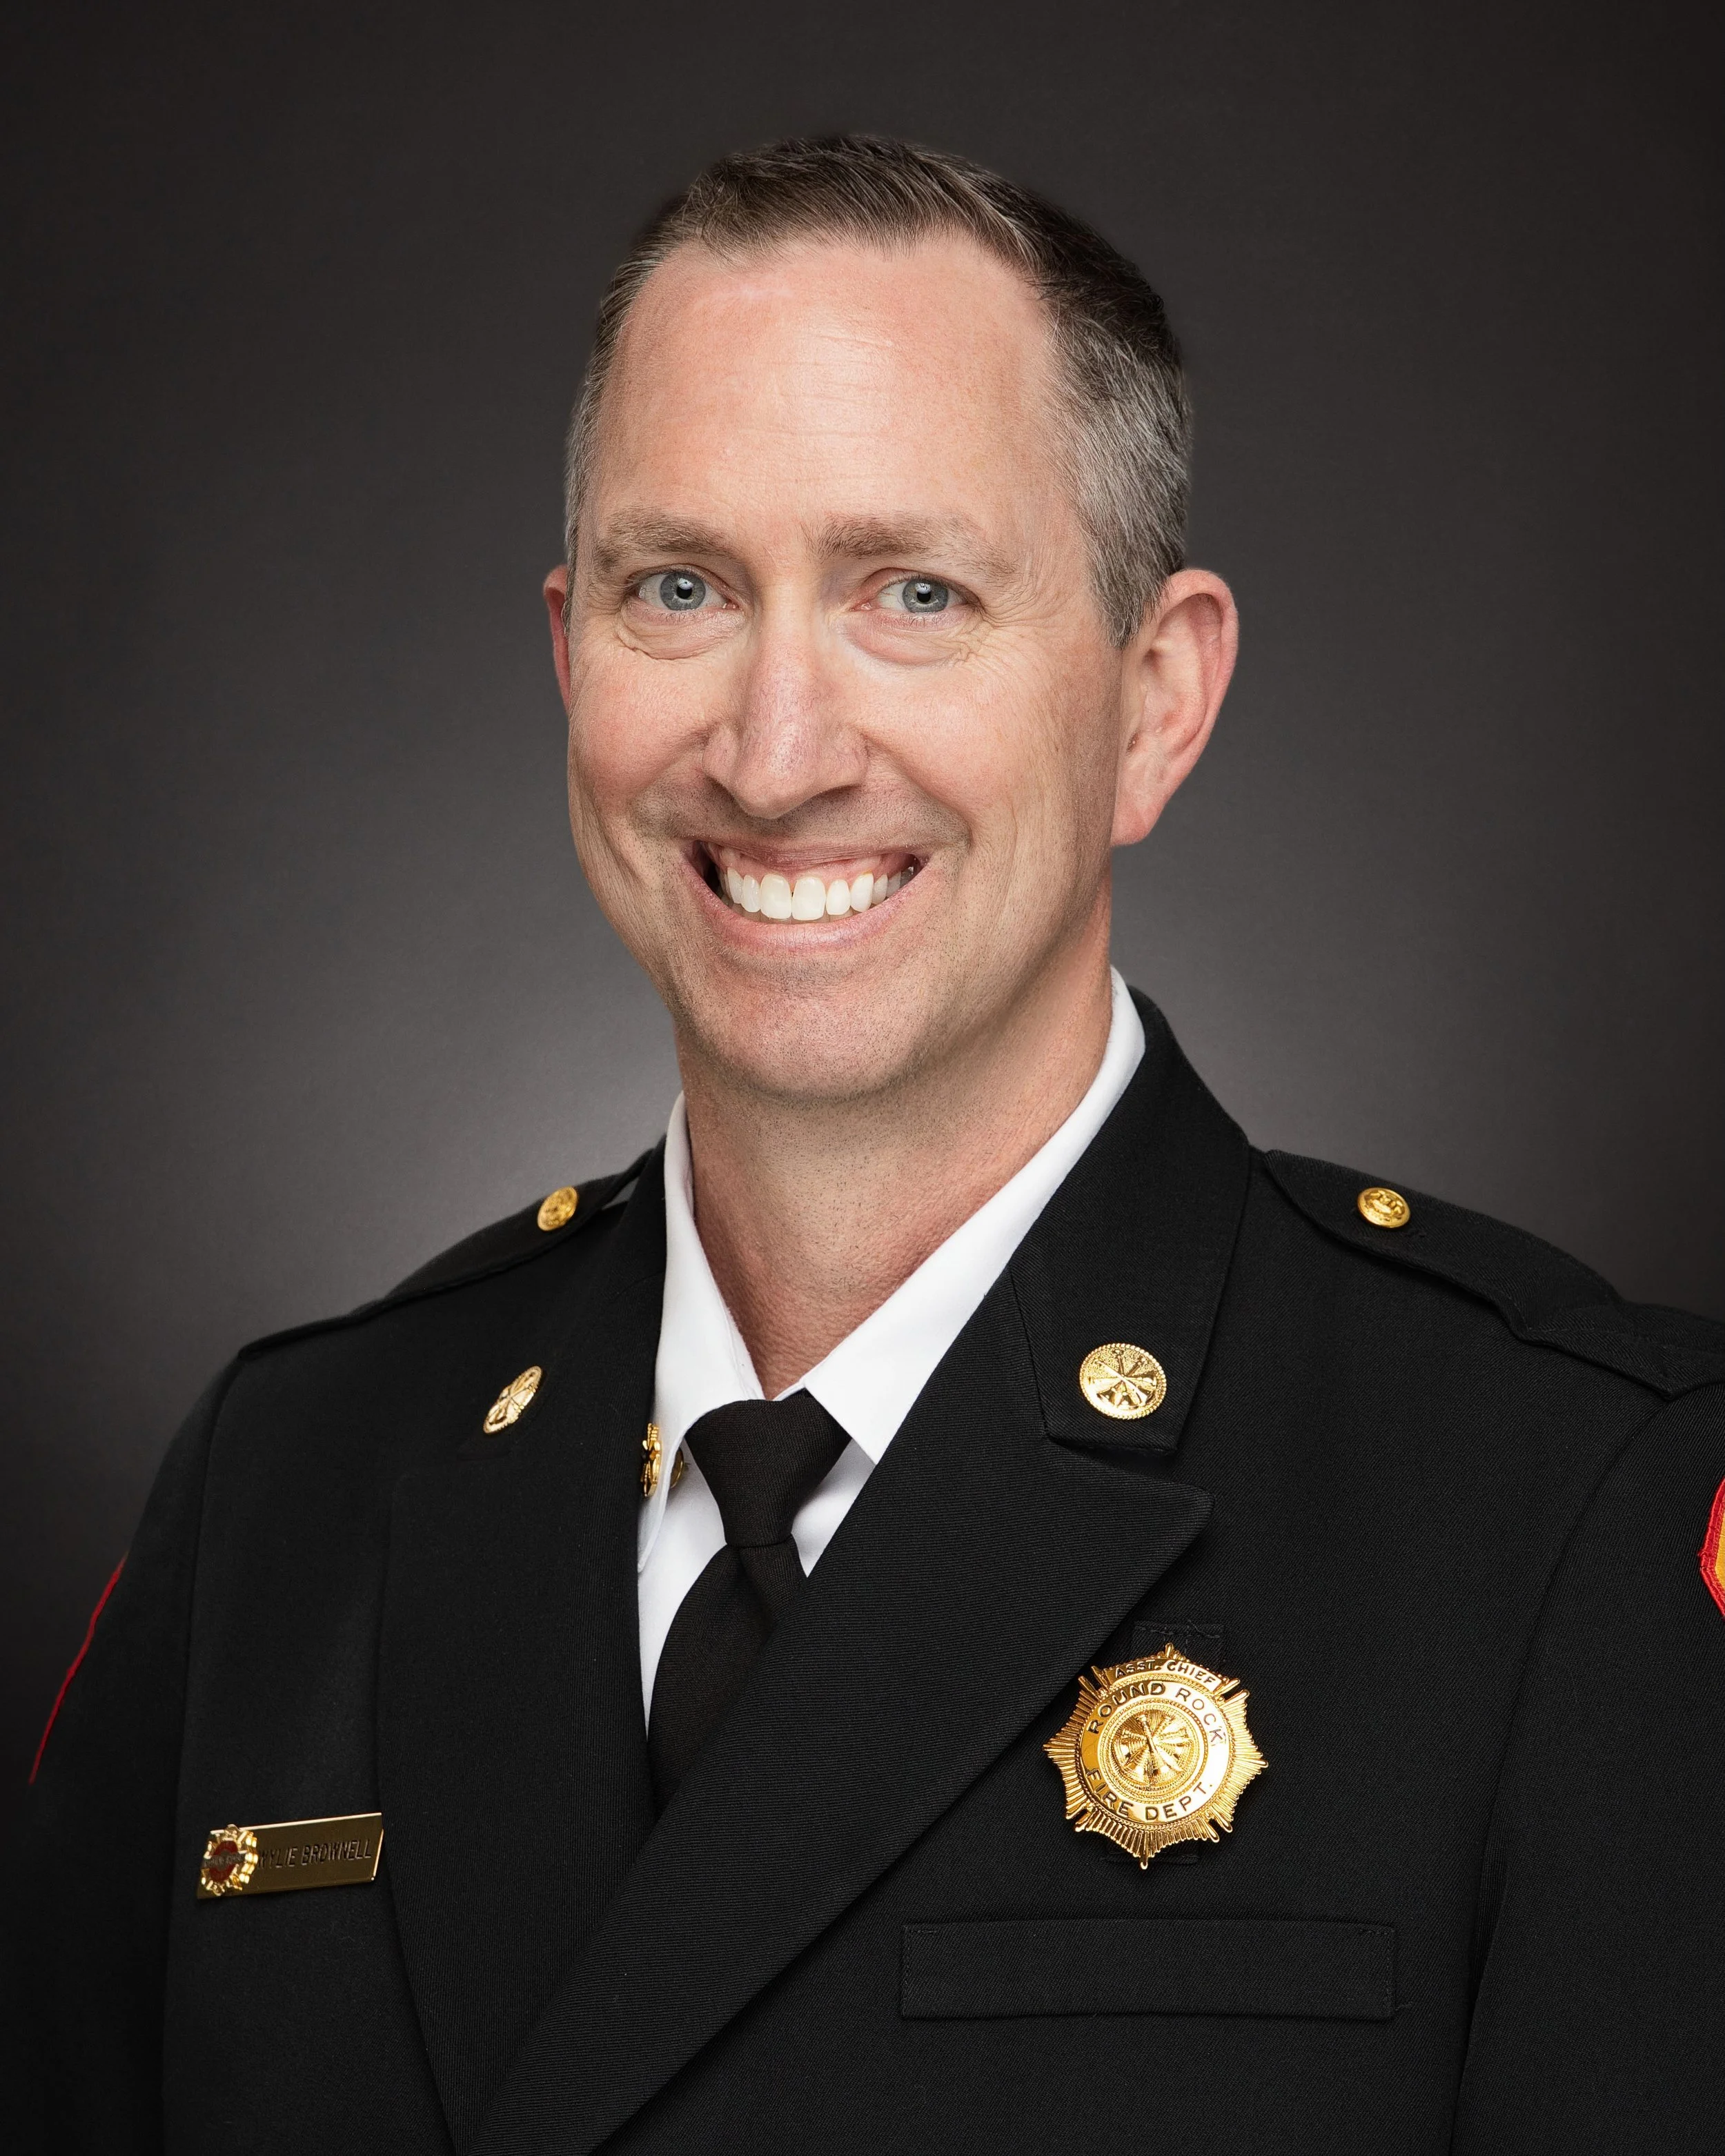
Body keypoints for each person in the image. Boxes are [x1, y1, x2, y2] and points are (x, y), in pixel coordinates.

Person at [11, 135, 1724, 2155]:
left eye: (911, 590)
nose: (775, 745)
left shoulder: (1559, 1506)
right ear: (570, 660)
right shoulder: (289, 1488)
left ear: (1152, 703)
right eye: (680, 589)